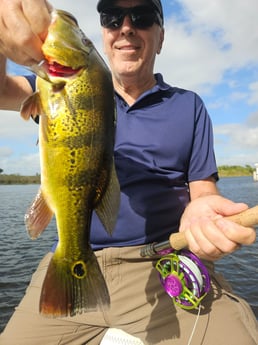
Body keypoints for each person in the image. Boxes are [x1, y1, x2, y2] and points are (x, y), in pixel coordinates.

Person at [0, 0, 257, 344]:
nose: (125, 27)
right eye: (111, 18)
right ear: (104, 35)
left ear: (161, 38)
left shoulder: (189, 105)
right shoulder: (55, 83)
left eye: (142, 16)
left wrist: (202, 214)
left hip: (164, 262)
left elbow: (203, 191)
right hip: (72, 260)